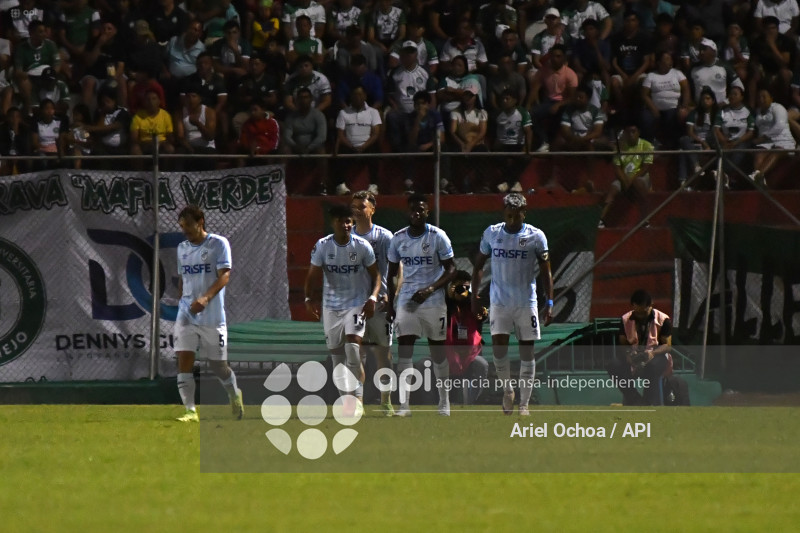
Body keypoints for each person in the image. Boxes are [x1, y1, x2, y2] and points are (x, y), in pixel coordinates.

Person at [471, 193, 554, 416]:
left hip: (526, 302)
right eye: (508, 216)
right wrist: (474, 295)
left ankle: (524, 404)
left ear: (523, 214)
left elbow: (546, 272)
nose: (511, 221)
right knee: (499, 349)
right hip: (499, 302)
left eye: (516, 217)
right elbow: (478, 264)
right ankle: (508, 391)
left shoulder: (536, 236)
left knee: (527, 352)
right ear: (503, 213)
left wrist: (550, 300)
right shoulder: (492, 233)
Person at [304, 204, 381, 417]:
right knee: (337, 358)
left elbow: (376, 275)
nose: (346, 225)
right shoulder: (322, 246)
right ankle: (346, 400)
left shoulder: (362, 246)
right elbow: (311, 275)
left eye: (349, 221)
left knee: (353, 348)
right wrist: (309, 298)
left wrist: (373, 297)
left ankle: (357, 398)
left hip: (356, 303)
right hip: (331, 306)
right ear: (333, 223)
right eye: (341, 221)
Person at [387, 193, 456, 416]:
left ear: (427, 212)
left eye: (421, 210)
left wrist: (430, 289)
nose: (417, 213)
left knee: (437, 351)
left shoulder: (438, 236)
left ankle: (444, 402)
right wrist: (390, 304)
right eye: (413, 209)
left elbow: (451, 269)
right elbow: (390, 275)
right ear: (408, 212)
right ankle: (404, 405)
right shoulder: (398, 239)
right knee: (405, 350)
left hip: (433, 301)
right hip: (407, 301)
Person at [174, 205, 243, 422]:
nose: (185, 231)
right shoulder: (182, 248)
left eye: (189, 226)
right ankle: (190, 410)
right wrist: (182, 302)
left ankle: (234, 393)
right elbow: (183, 279)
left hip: (212, 316)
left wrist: (205, 298)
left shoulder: (218, 244)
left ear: (200, 221)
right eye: (182, 227)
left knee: (218, 365)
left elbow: (225, 276)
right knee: (184, 357)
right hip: (186, 313)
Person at [350, 190, 395, 415]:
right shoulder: (346, 237)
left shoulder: (384, 237)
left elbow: (397, 268)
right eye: (355, 206)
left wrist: (391, 295)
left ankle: (385, 399)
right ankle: (358, 401)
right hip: (354, 303)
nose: (358, 210)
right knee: (356, 354)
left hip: (379, 303)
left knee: (382, 355)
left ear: (373, 209)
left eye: (362, 206)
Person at [606, 288, 673, 406]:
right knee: (613, 365)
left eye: (643, 312)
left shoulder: (663, 319)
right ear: (633, 306)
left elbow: (667, 346)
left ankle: (651, 403)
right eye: (638, 312)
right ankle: (635, 399)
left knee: (653, 367)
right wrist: (628, 355)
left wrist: (653, 353)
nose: (640, 316)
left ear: (650, 305)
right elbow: (623, 343)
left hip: (656, 356)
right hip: (634, 355)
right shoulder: (625, 319)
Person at [599, 122, 653, 228]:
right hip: (623, 177)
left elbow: (646, 167)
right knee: (613, 188)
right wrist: (625, 181)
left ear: (639, 133)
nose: (631, 134)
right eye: (628, 132)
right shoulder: (619, 147)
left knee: (638, 184)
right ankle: (601, 220)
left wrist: (632, 180)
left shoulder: (647, 145)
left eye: (634, 132)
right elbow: (617, 168)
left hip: (640, 177)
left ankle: (645, 219)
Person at [749, 87, 795, 186]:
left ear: (771, 98)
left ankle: (757, 175)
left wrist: (763, 138)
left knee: (777, 151)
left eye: (764, 97)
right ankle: (760, 180)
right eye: (759, 97)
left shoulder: (778, 108)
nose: (761, 99)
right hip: (767, 143)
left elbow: (779, 125)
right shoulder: (757, 112)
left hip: (783, 141)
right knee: (759, 155)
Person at [679, 86, 719, 189]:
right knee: (684, 140)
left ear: (713, 100)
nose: (704, 101)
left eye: (707, 98)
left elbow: (717, 132)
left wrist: (707, 144)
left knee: (683, 151)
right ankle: (695, 166)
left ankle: (684, 182)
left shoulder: (717, 114)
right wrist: (702, 142)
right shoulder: (694, 113)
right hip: (696, 143)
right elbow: (690, 132)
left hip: (712, 144)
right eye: (702, 99)